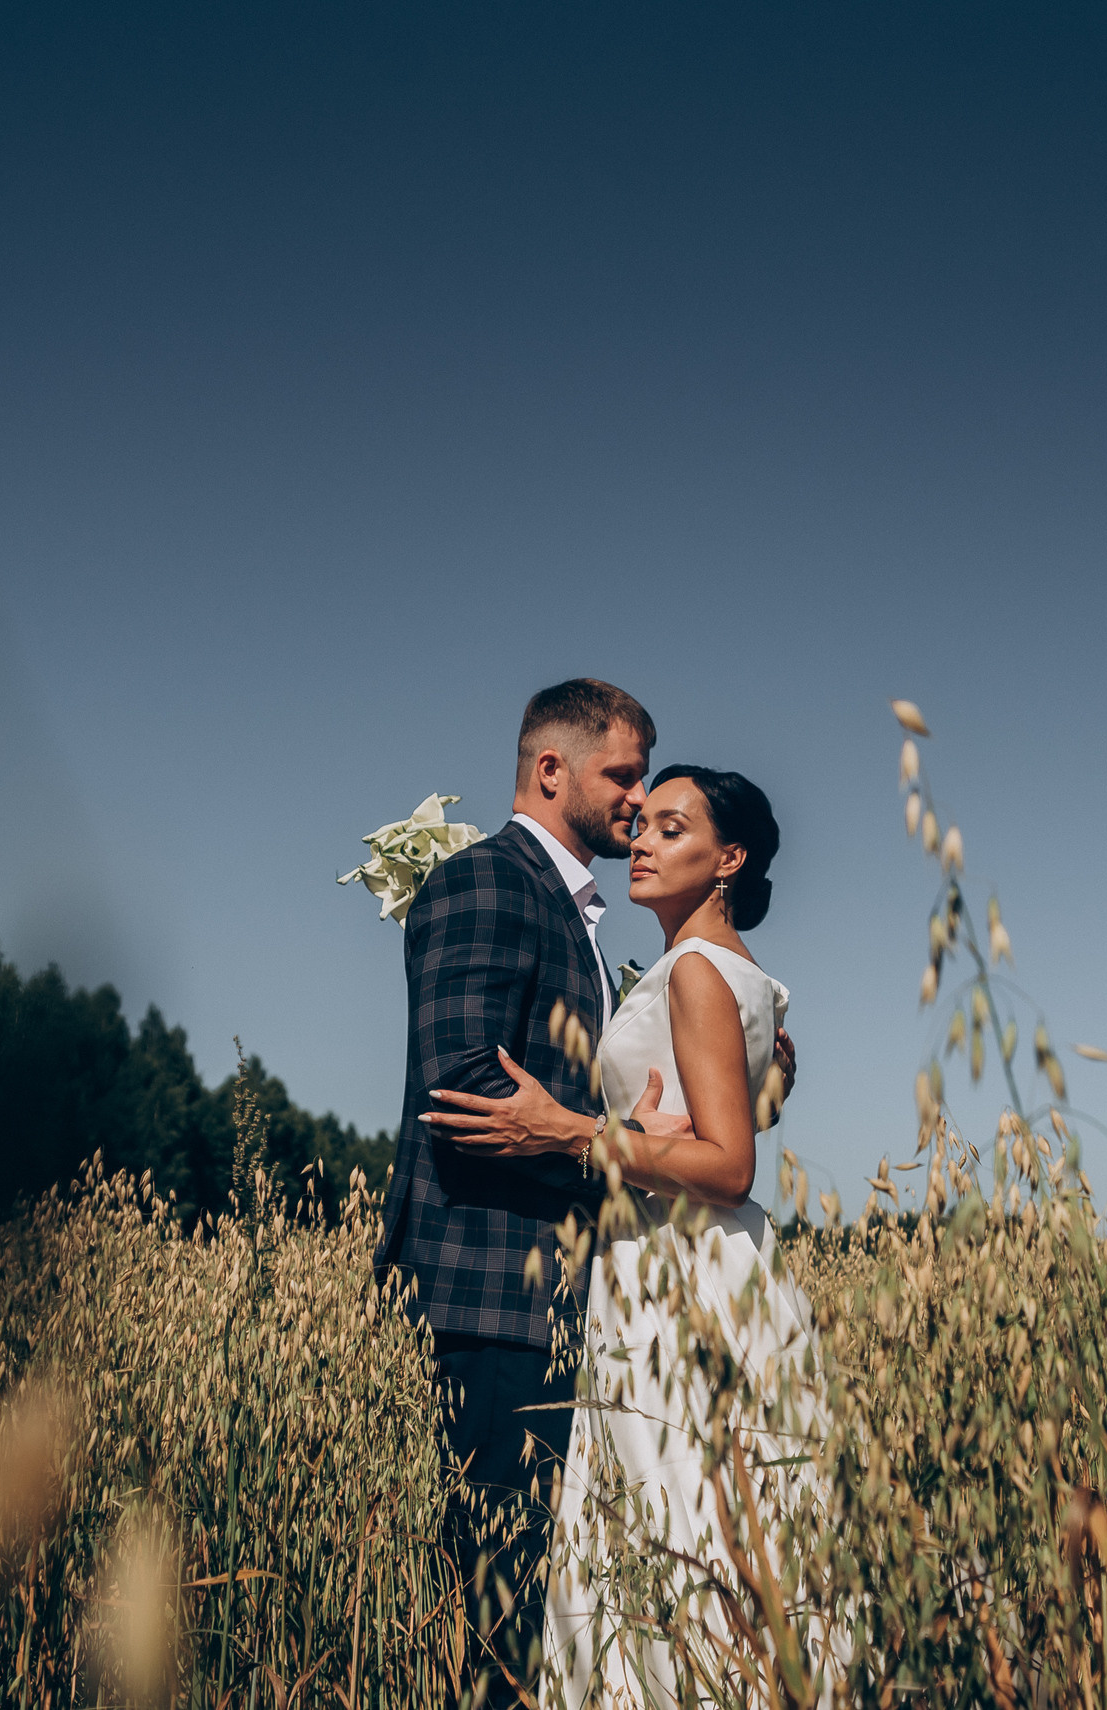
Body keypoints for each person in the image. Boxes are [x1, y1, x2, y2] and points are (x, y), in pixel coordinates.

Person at [382, 683, 798, 1707]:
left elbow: (677, 1116)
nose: (636, 798)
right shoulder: (486, 883)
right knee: (503, 1600)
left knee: (581, 1595)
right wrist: (607, 1140)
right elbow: (467, 1090)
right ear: (550, 770)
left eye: (652, 788)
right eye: (622, 776)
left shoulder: (595, 923)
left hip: (591, 1303)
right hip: (500, 1294)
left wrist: (744, 1085)